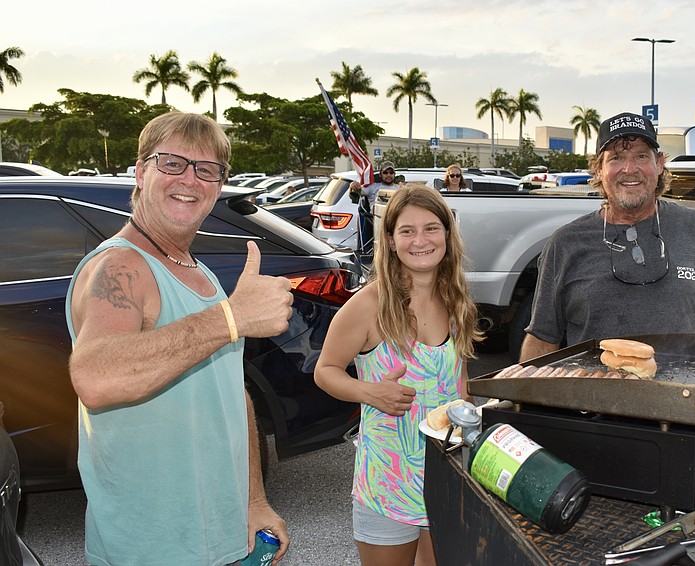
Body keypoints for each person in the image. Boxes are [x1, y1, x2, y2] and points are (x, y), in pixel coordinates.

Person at [65, 112, 292, 565]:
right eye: (172, 163)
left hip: (220, 540)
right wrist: (232, 316)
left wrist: (253, 501)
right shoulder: (120, 266)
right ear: (141, 172)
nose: (190, 179)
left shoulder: (199, 273)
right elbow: (95, 377)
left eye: (207, 170)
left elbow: (232, 394)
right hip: (151, 548)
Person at [314, 183, 482, 566]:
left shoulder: (456, 302)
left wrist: (474, 420)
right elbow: (325, 371)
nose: (420, 240)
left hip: (445, 473)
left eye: (431, 228)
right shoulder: (368, 305)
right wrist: (371, 392)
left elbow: (460, 386)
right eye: (407, 231)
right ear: (390, 240)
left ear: (446, 234)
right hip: (387, 482)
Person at [521, 112, 695, 361]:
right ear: (599, 170)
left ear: (659, 164)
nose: (629, 169)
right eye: (616, 158)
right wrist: (520, 395)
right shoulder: (565, 244)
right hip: (595, 395)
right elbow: (542, 339)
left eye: (641, 156)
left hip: (687, 395)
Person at [349, 161, 399, 255]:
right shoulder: (373, 187)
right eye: (385, 172)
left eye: (391, 173)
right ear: (380, 174)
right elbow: (358, 192)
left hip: (396, 218)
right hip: (377, 218)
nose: (388, 175)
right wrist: (353, 186)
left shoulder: (399, 188)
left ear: (394, 174)